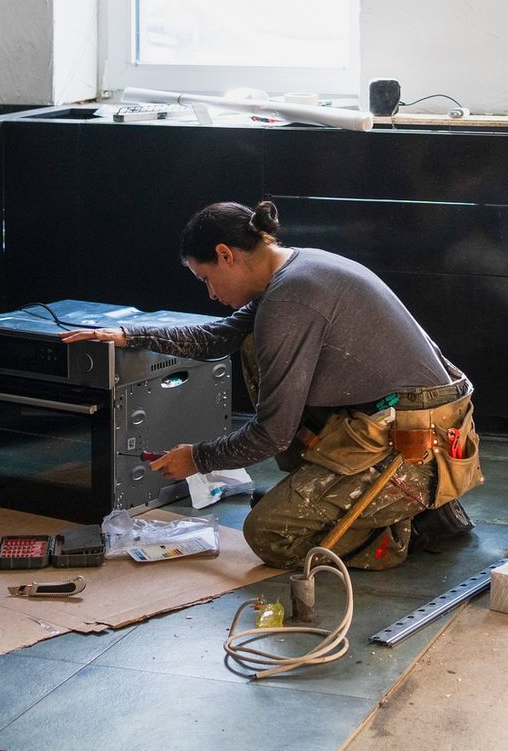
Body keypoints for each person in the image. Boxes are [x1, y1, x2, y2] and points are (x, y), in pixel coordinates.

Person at [62, 201, 483, 571]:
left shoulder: (290, 300)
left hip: (418, 444)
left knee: (269, 534)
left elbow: (272, 433)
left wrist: (198, 458)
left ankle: (411, 522)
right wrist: (127, 335)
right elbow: (216, 337)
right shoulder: (295, 268)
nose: (210, 293)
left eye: (206, 278)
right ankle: (362, 497)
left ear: (225, 255)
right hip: (400, 418)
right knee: (248, 342)